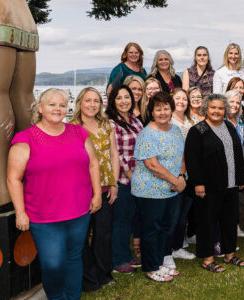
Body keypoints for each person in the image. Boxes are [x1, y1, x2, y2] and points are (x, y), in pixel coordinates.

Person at [7, 88, 102, 299]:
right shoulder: (26, 139)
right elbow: (13, 179)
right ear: (40, 108)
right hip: (44, 217)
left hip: (79, 211)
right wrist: (20, 213)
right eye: (52, 104)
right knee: (53, 264)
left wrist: (96, 195)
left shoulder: (78, 133)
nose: (57, 109)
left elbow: (94, 164)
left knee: (74, 258)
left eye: (62, 105)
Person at [185, 94, 244, 273]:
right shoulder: (198, 130)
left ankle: (229, 254)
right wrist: (198, 183)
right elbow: (192, 160)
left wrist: (241, 178)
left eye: (220, 108)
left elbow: (237, 151)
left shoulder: (228, 125)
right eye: (213, 107)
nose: (217, 111)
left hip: (230, 184)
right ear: (206, 108)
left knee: (229, 221)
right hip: (208, 187)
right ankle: (207, 259)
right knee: (207, 223)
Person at [131, 91, 186, 282]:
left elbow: (181, 155)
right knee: (152, 229)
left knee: (165, 228)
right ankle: (151, 267)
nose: (162, 112)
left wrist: (180, 177)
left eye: (166, 108)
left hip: (171, 189)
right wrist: (176, 181)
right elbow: (152, 165)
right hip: (150, 190)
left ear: (171, 109)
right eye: (158, 109)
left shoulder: (175, 130)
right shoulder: (148, 134)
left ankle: (160, 261)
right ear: (152, 112)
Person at [70, 87, 120, 292]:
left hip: (107, 187)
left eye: (96, 101)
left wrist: (115, 183)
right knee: (82, 236)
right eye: (88, 100)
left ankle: (103, 274)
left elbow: (114, 154)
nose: (92, 105)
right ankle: (88, 279)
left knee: (103, 233)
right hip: (82, 189)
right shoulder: (71, 128)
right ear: (80, 102)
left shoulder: (106, 124)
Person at [106, 85, 144, 274]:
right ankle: (117, 260)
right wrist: (129, 172)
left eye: (127, 97)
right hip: (123, 179)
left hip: (140, 177)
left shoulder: (136, 122)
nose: (123, 101)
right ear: (113, 101)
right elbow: (116, 153)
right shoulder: (112, 123)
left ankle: (127, 255)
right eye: (119, 98)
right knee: (121, 221)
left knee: (130, 219)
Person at [168, 88, 197, 260]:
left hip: (190, 172)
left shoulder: (190, 120)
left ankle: (177, 246)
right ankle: (169, 248)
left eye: (184, 99)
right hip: (175, 172)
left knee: (183, 212)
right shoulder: (169, 121)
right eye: (177, 98)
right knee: (174, 213)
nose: (181, 101)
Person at [225, 89, 244, 238]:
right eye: (231, 101)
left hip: (240, 166)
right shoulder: (220, 121)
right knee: (225, 202)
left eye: (237, 103)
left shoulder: (240, 122)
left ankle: (234, 226)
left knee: (236, 201)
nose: (234, 105)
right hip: (224, 168)